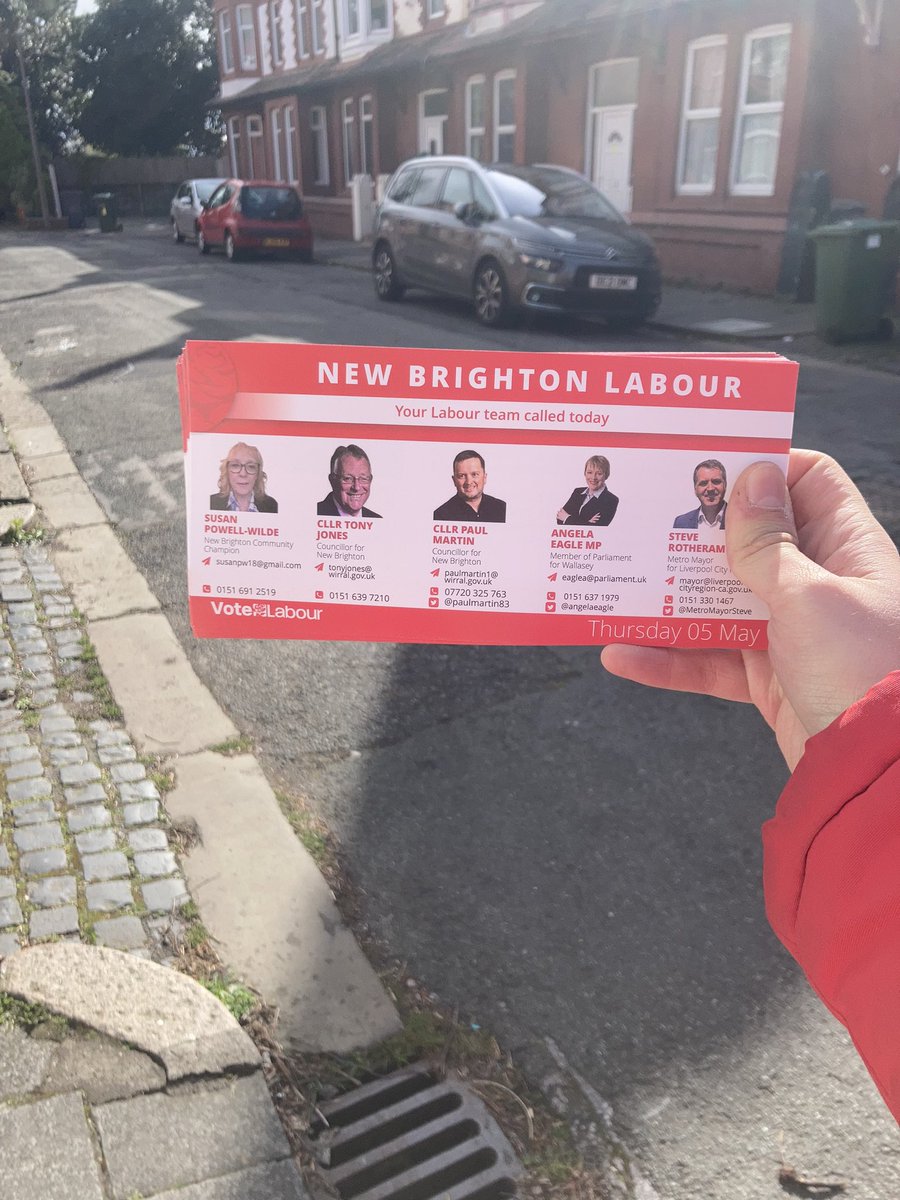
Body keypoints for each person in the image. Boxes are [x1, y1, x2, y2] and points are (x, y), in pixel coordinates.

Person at [602, 450, 900, 1122]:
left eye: (717, 483)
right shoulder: (673, 521)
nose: (711, 491)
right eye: (704, 484)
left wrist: (877, 736)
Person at [433, 450, 506, 523]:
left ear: (484, 477)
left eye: (474, 474)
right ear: (454, 480)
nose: (469, 482)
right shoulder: (441, 515)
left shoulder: (502, 508)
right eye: (461, 476)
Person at [209, 442, 278, 512]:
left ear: (258, 474)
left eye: (251, 466)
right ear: (227, 471)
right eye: (235, 465)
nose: (243, 474)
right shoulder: (211, 503)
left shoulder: (271, 506)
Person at [317, 445, 381, 518]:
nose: (356, 487)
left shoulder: (377, 520)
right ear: (332, 481)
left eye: (363, 478)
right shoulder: (314, 514)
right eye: (348, 478)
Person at [556, 454, 619, 526]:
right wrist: (586, 522)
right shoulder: (577, 492)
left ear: (606, 475)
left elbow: (597, 527)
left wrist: (567, 518)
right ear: (585, 473)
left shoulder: (611, 500)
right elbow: (559, 518)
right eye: (590, 472)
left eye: (599, 473)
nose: (593, 477)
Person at [673, 459, 727, 529]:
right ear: (695, 489)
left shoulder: (742, 519)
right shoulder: (682, 522)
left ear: (725, 485)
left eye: (716, 481)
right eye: (703, 483)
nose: (710, 488)